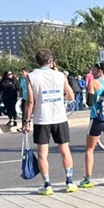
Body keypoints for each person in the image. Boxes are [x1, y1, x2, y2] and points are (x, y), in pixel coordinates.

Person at [22, 49, 78, 195]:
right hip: (59, 117)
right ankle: (69, 181)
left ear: (37, 61)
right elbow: (71, 96)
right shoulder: (60, 75)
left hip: (42, 118)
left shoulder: (31, 76)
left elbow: (30, 101)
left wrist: (26, 121)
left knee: (42, 153)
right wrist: (58, 97)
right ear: (51, 61)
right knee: (64, 150)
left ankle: (47, 184)